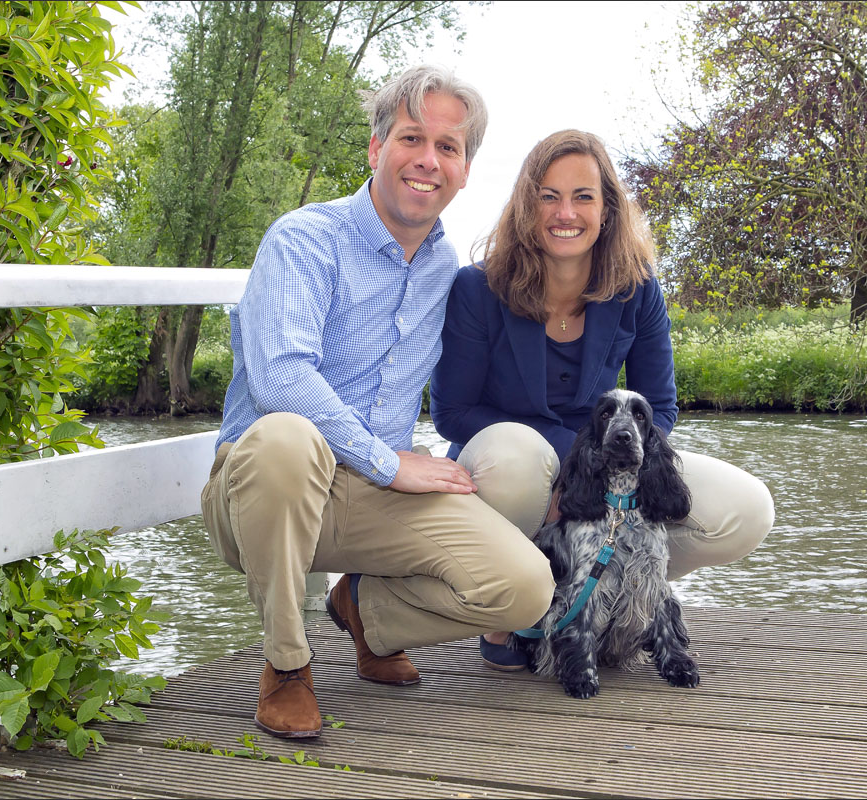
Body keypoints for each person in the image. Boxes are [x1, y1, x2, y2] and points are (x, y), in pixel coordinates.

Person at [200, 65, 554, 739]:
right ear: (375, 148)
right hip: (263, 490)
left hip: (368, 497)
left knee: (525, 588)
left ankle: (365, 611)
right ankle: (286, 664)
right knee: (288, 436)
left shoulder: (447, 269)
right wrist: (390, 462)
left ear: (465, 170)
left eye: (448, 147)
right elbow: (280, 379)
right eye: (411, 139)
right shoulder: (304, 238)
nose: (427, 160)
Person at [429, 129, 774, 670]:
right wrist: (576, 463)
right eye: (549, 196)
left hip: (603, 462)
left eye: (583, 197)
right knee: (519, 461)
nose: (565, 213)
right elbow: (452, 413)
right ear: (526, 206)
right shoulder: (478, 288)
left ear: (607, 208)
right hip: (507, 466)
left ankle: (611, 601)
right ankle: (511, 612)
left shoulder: (638, 288)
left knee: (744, 509)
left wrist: (609, 474)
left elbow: (659, 407)